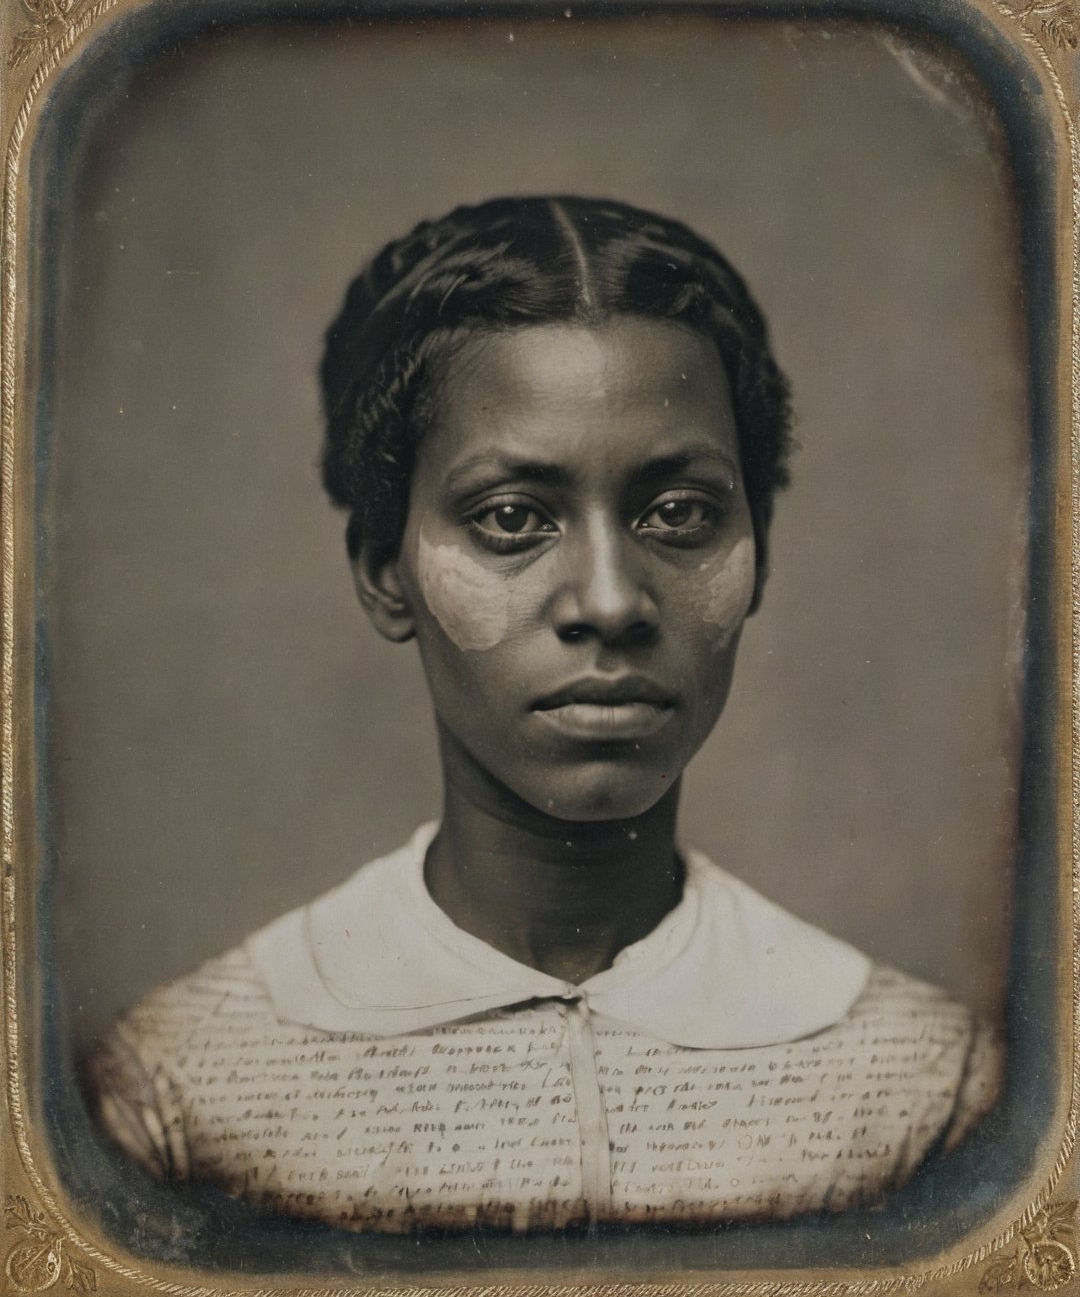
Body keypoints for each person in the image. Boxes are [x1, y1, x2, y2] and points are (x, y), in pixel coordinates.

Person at [87, 196, 1001, 1235]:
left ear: (760, 557)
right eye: (512, 519)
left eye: (681, 514)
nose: (610, 601)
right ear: (384, 570)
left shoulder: (934, 1087)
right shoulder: (175, 1096)